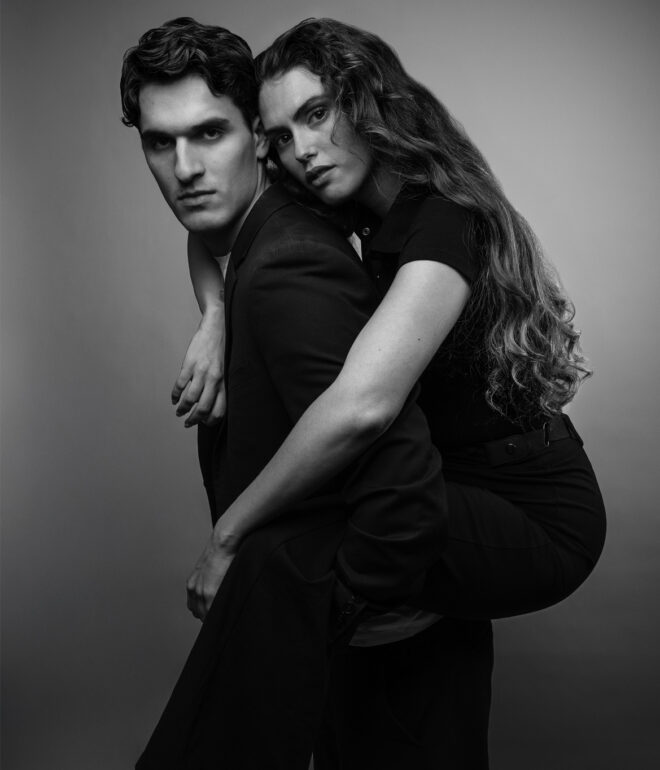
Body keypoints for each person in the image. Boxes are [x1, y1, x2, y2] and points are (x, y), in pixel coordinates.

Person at [173, 17, 607, 767]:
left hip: (535, 513)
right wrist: (214, 319)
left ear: (366, 101)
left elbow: (364, 405)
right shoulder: (352, 207)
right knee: (339, 539)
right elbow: (211, 229)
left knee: (297, 545)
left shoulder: (443, 220)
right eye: (280, 136)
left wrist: (228, 535)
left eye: (316, 114)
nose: (302, 151)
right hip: (455, 483)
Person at [121, 18, 493, 770]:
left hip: (400, 651)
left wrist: (325, 615)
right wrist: (216, 315)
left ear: (250, 139)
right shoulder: (273, 226)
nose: (185, 168)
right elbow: (204, 235)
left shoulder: (295, 262)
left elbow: (394, 474)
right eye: (160, 143)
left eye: (209, 133)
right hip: (364, 647)